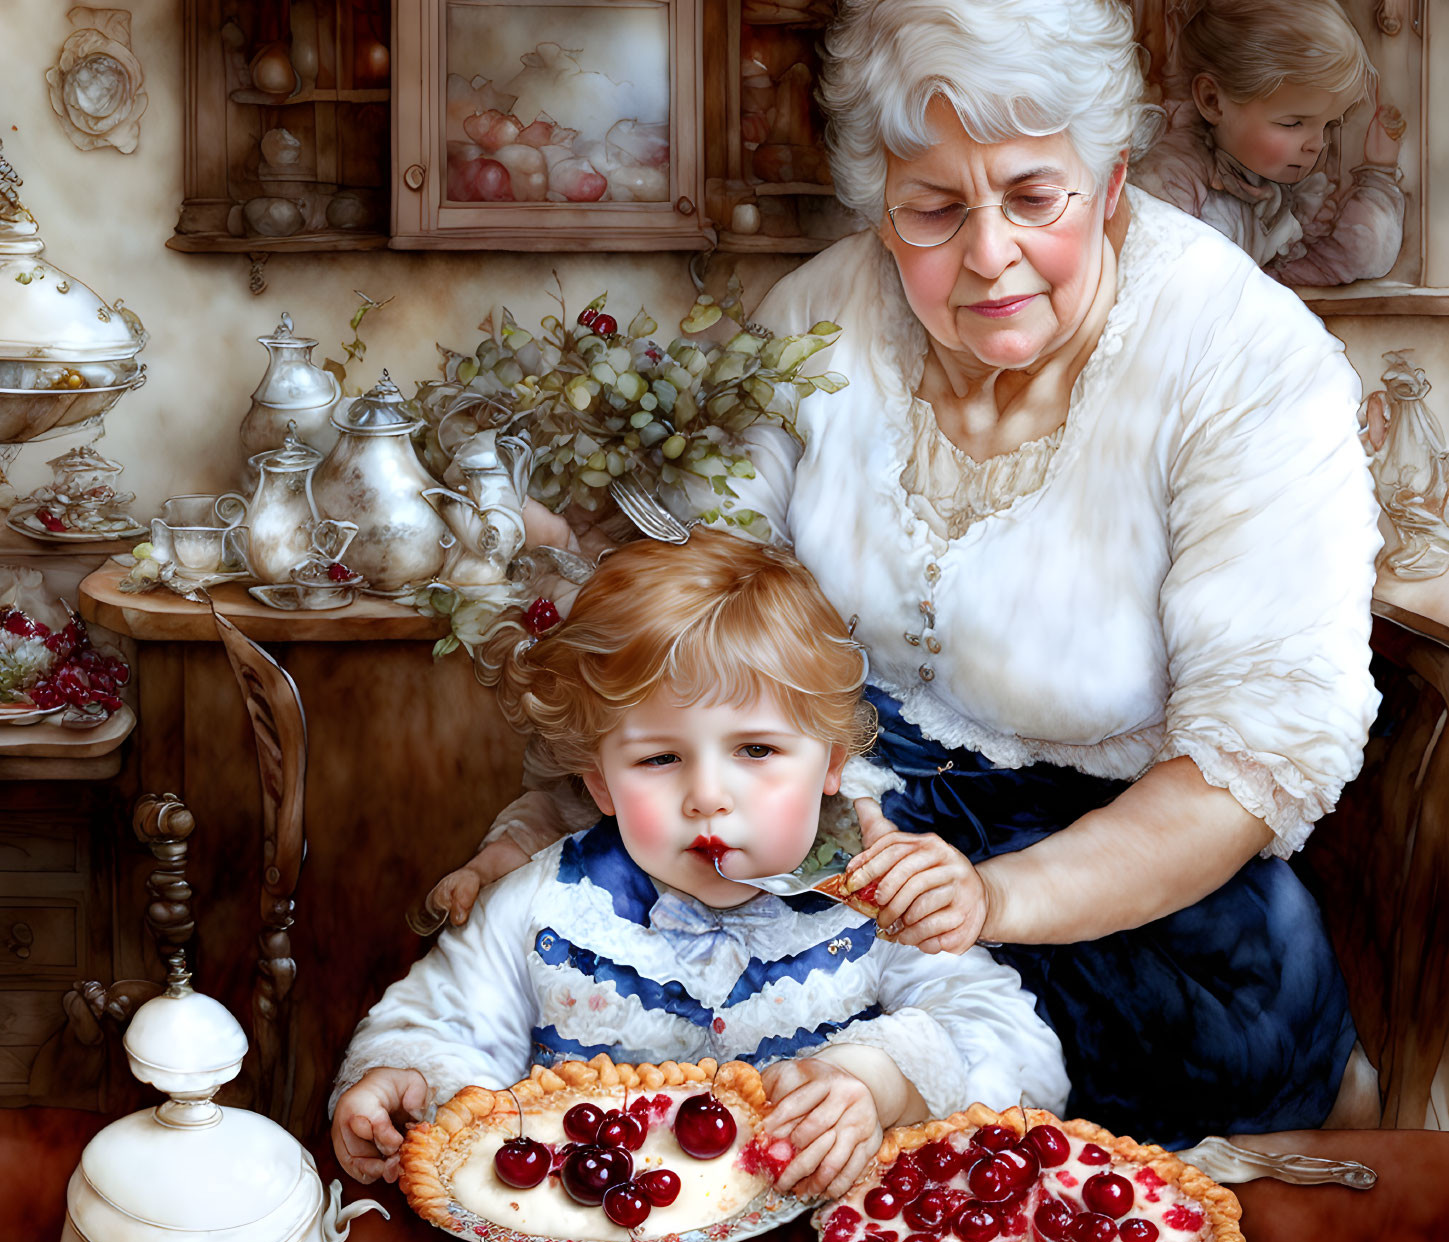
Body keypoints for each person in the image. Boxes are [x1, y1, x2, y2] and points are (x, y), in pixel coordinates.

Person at [434, 0, 1382, 1151]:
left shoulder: (1245, 362)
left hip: (1138, 927)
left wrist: (991, 899)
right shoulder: (818, 320)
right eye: (933, 209)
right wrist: (542, 821)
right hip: (837, 854)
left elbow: (1248, 767)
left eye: (1035, 198)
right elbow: (699, 633)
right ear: (879, 199)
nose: (988, 254)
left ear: (1116, 175)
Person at [331, 529, 1069, 1197]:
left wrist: (878, 1080)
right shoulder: (536, 907)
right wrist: (407, 1084)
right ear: (600, 783)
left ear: (831, 765)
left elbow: (1017, 1052)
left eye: (756, 750)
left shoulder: (873, 901)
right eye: (659, 758)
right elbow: (441, 1028)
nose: (708, 798)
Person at [1131, 0, 1405, 285]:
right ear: (1212, 100)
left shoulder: (1283, 188)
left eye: (1328, 125)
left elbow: (1359, 255)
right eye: (1293, 123)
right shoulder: (1171, 178)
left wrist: (1379, 173)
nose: (1317, 144)